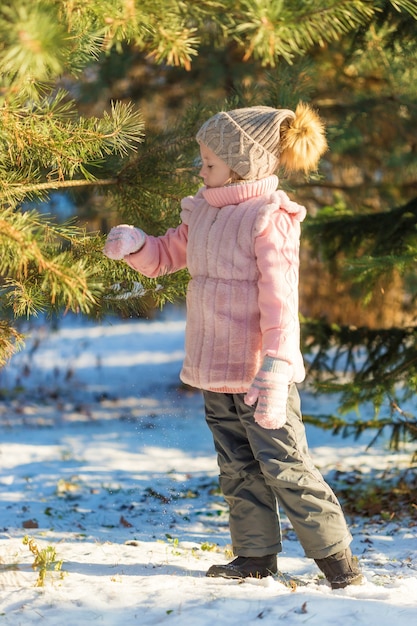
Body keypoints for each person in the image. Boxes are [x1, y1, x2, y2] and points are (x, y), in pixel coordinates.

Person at [103, 103, 363, 589]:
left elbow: (281, 300)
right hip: (212, 369)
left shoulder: (268, 217)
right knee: (238, 469)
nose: (200, 171)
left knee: (286, 465)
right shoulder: (202, 210)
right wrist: (138, 245)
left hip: (260, 374)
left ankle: (337, 561)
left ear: (243, 165)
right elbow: (167, 255)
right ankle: (255, 556)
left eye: (209, 164)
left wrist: (278, 366)